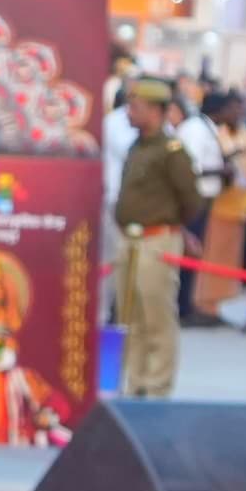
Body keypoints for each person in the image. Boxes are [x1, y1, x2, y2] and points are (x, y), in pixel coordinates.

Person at [109, 76, 193, 401]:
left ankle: (157, 386)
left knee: (156, 316)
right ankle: (136, 382)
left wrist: (171, 225)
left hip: (157, 240)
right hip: (129, 240)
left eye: (137, 107)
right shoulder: (137, 146)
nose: (129, 112)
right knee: (130, 317)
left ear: (157, 111)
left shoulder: (171, 151)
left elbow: (191, 198)